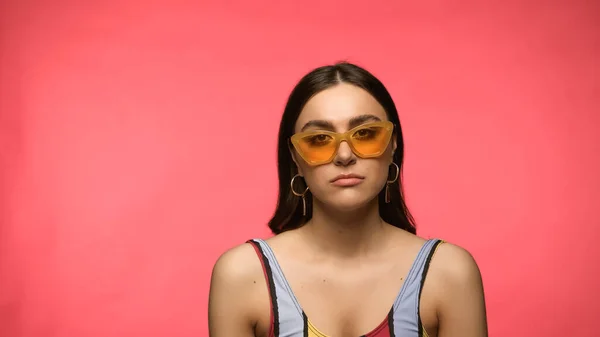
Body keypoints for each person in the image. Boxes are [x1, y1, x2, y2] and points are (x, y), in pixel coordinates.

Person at [208, 62, 488, 337]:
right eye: (319, 138)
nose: (344, 156)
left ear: (393, 144)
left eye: (365, 134)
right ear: (295, 157)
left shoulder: (450, 273)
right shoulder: (243, 275)